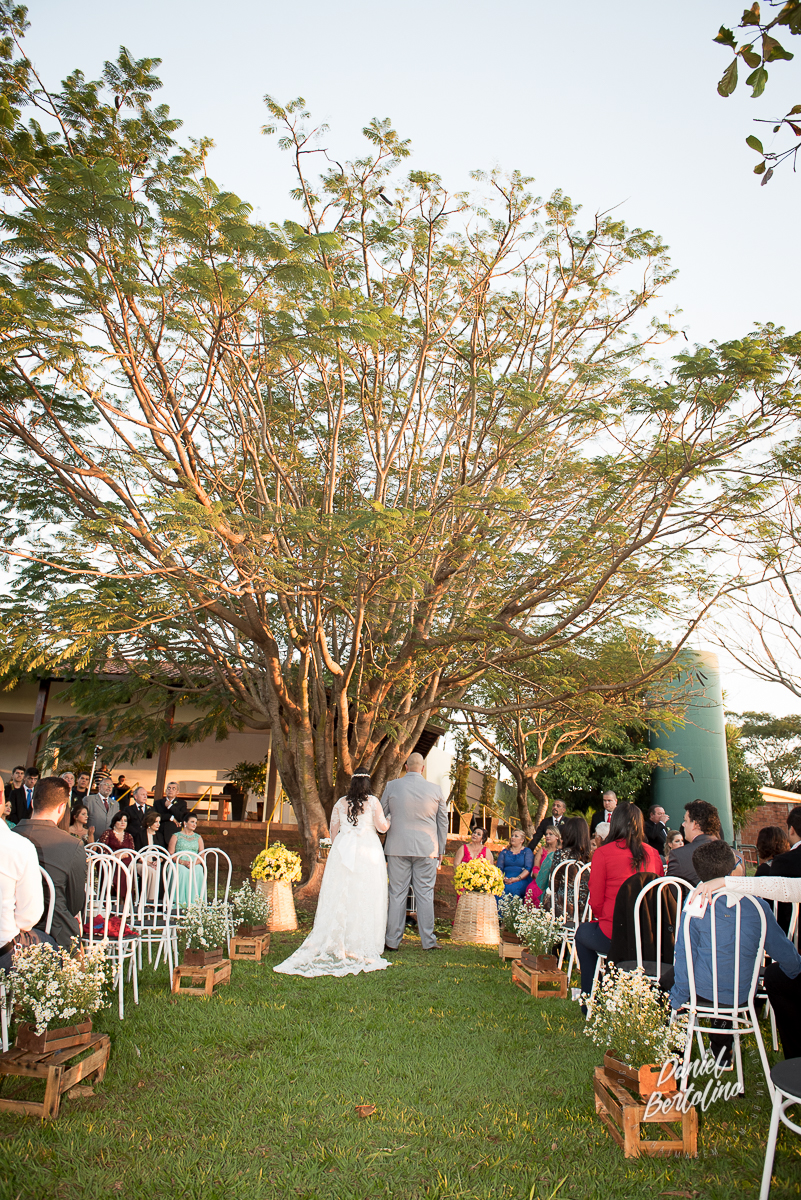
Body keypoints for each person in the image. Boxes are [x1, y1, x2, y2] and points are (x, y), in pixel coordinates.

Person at [671, 840, 801, 1066]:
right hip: (741, 994)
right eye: (739, 860)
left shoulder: (695, 902)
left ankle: (677, 1055)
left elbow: (684, 954)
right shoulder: (758, 906)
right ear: (733, 872)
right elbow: (782, 950)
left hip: (700, 990)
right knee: (723, 980)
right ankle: (722, 1052)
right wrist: (795, 969)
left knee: (676, 981)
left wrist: (679, 996)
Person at [275, 769, 392, 977]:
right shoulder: (373, 802)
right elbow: (382, 828)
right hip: (368, 853)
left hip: (343, 852)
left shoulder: (340, 803)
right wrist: (390, 819)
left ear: (352, 784)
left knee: (342, 894)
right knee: (366, 894)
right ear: (367, 784)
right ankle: (363, 940)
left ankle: (340, 938)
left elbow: (333, 831)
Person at [575, 802, 664, 996]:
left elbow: (596, 901)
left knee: (582, 934)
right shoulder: (653, 854)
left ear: (615, 823)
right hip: (647, 936)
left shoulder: (603, 853)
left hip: (613, 933)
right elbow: (659, 892)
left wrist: (604, 917)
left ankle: (591, 996)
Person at [381, 752, 449, 952]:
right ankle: (428, 941)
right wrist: (441, 848)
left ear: (406, 766)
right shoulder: (436, 790)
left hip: (397, 847)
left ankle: (392, 940)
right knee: (425, 894)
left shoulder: (392, 786)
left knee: (397, 893)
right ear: (423, 768)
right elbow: (443, 822)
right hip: (427, 848)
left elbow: (381, 815)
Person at [15, 776, 87, 949]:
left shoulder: (10, 837)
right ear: (62, 807)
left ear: (33, 803)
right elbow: (75, 904)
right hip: (54, 933)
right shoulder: (72, 845)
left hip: (11, 928)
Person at [0, 813, 57, 975]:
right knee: (50, 946)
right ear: (1, 800)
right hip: (4, 951)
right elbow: (28, 917)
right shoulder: (19, 846)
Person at [543, 816, 591, 918]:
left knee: (547, 893)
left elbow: (553, 884)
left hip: (564, 908)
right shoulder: (591, 856)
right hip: (586, 908)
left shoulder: (560, 854)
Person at [666, 799, 721, 887]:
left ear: (695, 824)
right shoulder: (735, 855)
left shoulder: (679, 855)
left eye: (685, 821)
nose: (683, 824)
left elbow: (670, 890)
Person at [168, 812, 206, 906]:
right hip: (178, 863)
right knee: (182, 871)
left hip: (194, 863)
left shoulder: (198, 837)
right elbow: (171, 854)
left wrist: (194, 863)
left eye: (196, 823)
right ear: (185, 823)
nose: (194, 824)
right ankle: (180, 902)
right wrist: (182, 862)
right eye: (192, 822)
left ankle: (196, 902)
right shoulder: (176, 836)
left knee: (198, 870)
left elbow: (202, 855)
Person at [497, 829, 535, 900]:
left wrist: (517, 879)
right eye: (512, 836)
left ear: (522, 840)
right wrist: (503, 878)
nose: (513, 837)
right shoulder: (504, 852)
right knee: (499, 889)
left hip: (521, 878)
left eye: (516, 836)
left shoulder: (527, 851)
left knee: (514, 888)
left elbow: (528, 869)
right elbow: (499, 868)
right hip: (506, 878)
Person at [84, 776, 119, 840]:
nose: (109, 787)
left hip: (109, 840)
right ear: (99, 786)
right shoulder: (89, 800)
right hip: (92, 839)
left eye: (111, 785)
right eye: (107, 784)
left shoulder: (116, 804)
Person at [155, 782, 189, 848]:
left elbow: (181, 817)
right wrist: (170, 817)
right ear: (166, 790)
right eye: (169, 788)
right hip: (159, 834)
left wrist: (170, 806)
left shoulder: (182, 803)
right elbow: (156, 816)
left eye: (173, 788)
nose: (170, 790)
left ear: (177, 792)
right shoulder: (158, 803)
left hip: (173, 835)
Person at [125, 786, 153, 851]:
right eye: (142, 794)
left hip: (147, 840)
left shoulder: (151, 809)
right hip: (132, 840)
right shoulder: (128, 809)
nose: (145, 797)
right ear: (135, 796)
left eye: (146, 795)